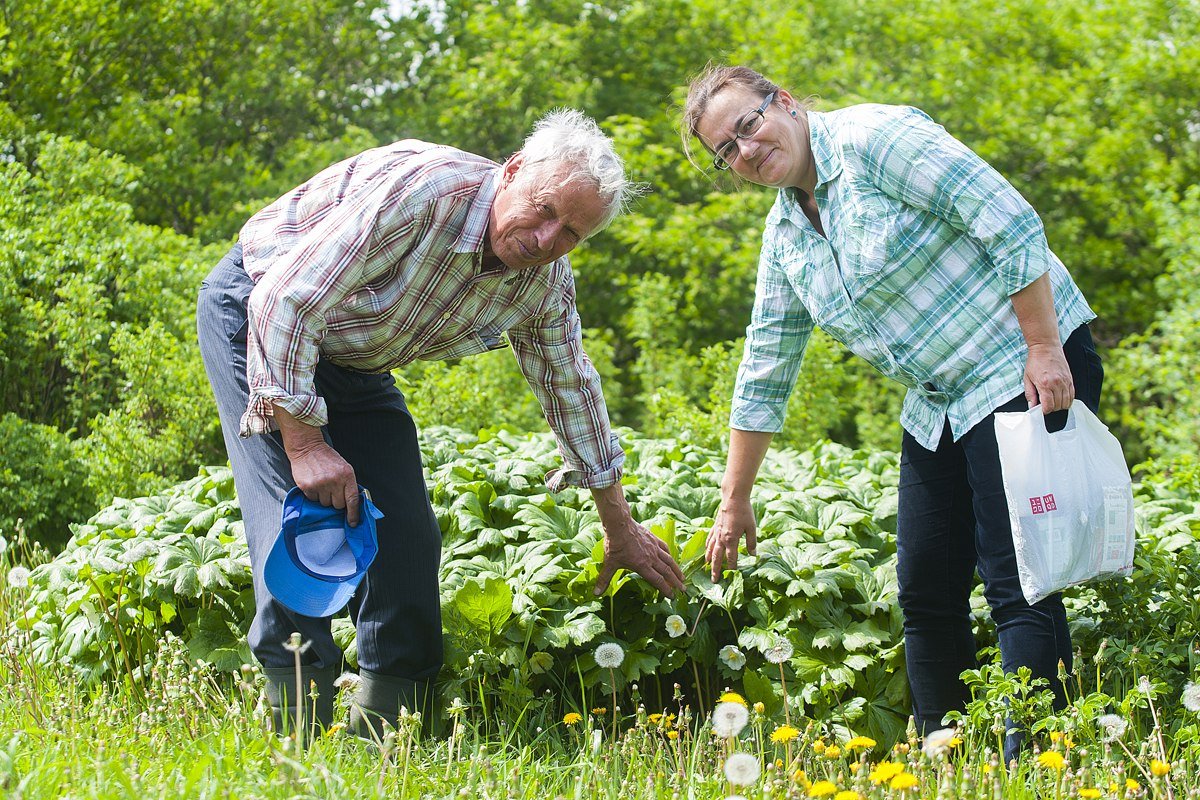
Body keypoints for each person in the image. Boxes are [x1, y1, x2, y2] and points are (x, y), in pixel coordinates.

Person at [197, 109, 684, 739]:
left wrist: (620, 527)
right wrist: (306, 442)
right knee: (301, 518)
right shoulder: (427, 194)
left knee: (405, 531)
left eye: (570, 233)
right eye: (542, 209)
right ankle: (294, 736)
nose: (545, 238)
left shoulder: (542, 285)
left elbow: (573, 391)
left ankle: (388, 733)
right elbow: (287, 298)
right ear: (511, 171)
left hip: (356, 355)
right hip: (260, 314)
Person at [680, 65, 1102, 761]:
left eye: (747, 127)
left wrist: (1045, 347)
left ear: (781, 102)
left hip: (1022, 357)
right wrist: (734, 500)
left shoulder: (876, 140)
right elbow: (765, 364)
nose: (744, 153)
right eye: (726, 152)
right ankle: (950, 760)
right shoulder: (787, 232)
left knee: (1018, 576)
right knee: (925, 586)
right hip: (939, 402)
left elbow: (1008, 218)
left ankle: (1032, 765)